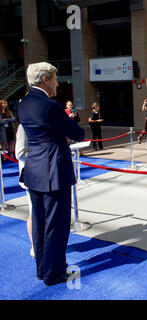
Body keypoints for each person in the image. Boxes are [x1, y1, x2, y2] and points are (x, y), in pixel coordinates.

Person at [18, 62, 85, 286]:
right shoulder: (51, 106)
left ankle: (42, 269)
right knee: (57, 225)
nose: (58, 83)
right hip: (54, 172)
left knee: (39, 224)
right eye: (55, 78)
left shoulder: (24, 103)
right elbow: (77, 132)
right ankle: (55, 273)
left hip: (34, 171)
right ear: (45, 79)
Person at [15, 123, 34, 258]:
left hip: (45, 175)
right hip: (30, 174)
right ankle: (35, 246)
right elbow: (19, 153)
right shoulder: (23, 127)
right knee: (34, 213)